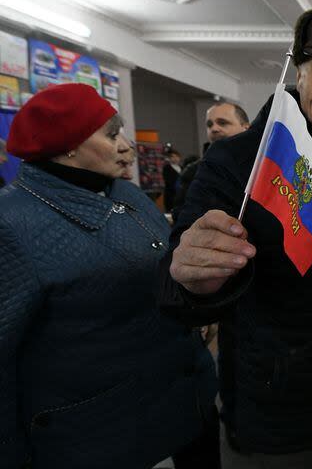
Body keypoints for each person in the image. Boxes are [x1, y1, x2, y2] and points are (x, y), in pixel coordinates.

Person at [158, 9, 312, 468]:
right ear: (300, 77)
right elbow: (176, 285)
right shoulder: (239, 159)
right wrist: (194, 277)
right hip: (275, 406)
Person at [0, 84, 219, 469]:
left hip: (183, 405)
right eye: (111, 134)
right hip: (98, 435)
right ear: (66, 143)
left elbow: (165, 265)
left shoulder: (127, 195)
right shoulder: (12, 224)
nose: (126, 146)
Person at [172, 102, 250, 221]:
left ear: (245, 128)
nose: (214, 129)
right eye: (209, 125)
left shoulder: (262, 167)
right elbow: (181, 215)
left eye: (222, 123)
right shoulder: (193, 172)